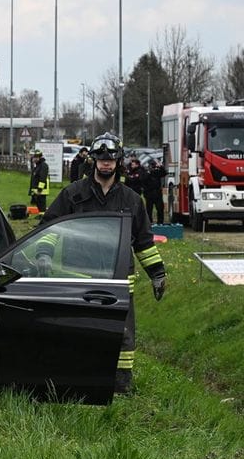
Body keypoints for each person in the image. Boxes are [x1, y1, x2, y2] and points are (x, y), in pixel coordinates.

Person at [37, 132, 166, 394]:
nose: (106, 164)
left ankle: (120, 387)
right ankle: (75, 382)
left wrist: (157, 273)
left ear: (118, 161)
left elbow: (143, 242)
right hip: (78, 278)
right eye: (101, 159)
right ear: (94, 160)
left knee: (123, 336)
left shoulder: (131, 200)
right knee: (78, 331)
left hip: (118, 281)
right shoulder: (73, 194)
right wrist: (43, 254)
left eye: (111, 159)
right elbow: (50, 227)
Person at [143, 158, 167, 225]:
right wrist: (149, 172)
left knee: (160, 209)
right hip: (149, 194)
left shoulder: (157, 172)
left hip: (157, 193)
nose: (152, 167)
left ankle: (160, 222)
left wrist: (160, 166)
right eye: (152, 165)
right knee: (149, 210)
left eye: (153, 165)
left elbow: (164, 173)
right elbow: (143, 179)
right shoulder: (146, 172)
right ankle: (149, 222)